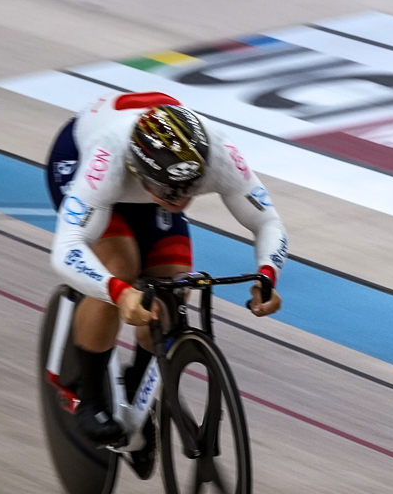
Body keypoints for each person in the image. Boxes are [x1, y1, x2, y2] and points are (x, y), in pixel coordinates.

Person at [47, 93, 289, 445]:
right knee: (121, 266)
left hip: (152, 174)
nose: (179, 200)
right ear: (139, 170)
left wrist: (268, 274)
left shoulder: (218, 155)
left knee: (173, 286)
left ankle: (134, 384)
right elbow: (66, 249)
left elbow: (268, 222)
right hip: (80, 159)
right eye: (168, 191)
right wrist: (118, 291)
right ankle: (92, 398)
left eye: (188, 191)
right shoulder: (109, 157)